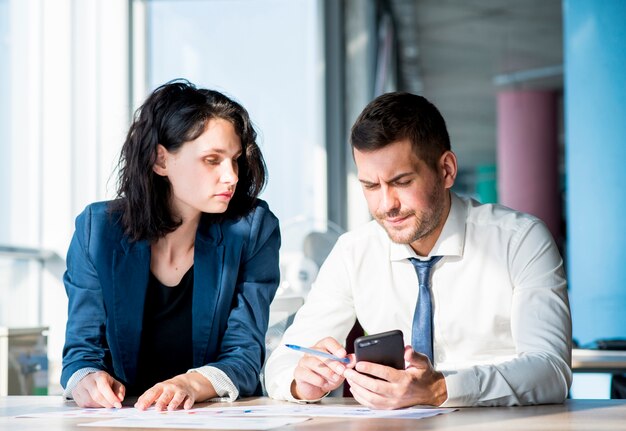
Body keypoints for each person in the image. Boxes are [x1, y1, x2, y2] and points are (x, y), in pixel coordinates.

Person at [264, 92, 571, 408]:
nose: (386, 205)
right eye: (370, 186)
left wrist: (442, 389)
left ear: (447, 170)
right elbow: (283, 361)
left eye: (402, 181)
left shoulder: (519, 240)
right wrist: (301, 382)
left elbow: (551, 369)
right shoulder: (353, 252)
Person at [61, 80, 280, 410]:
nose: (232, 176)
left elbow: (244, 357)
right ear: (160, 160)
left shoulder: (252, 229)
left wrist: (189, 383)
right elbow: (81, 351)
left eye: (234, 159)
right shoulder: (98, 230)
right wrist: (86, 379)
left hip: (211, 417)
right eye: (212, 160)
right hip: (123, 418)